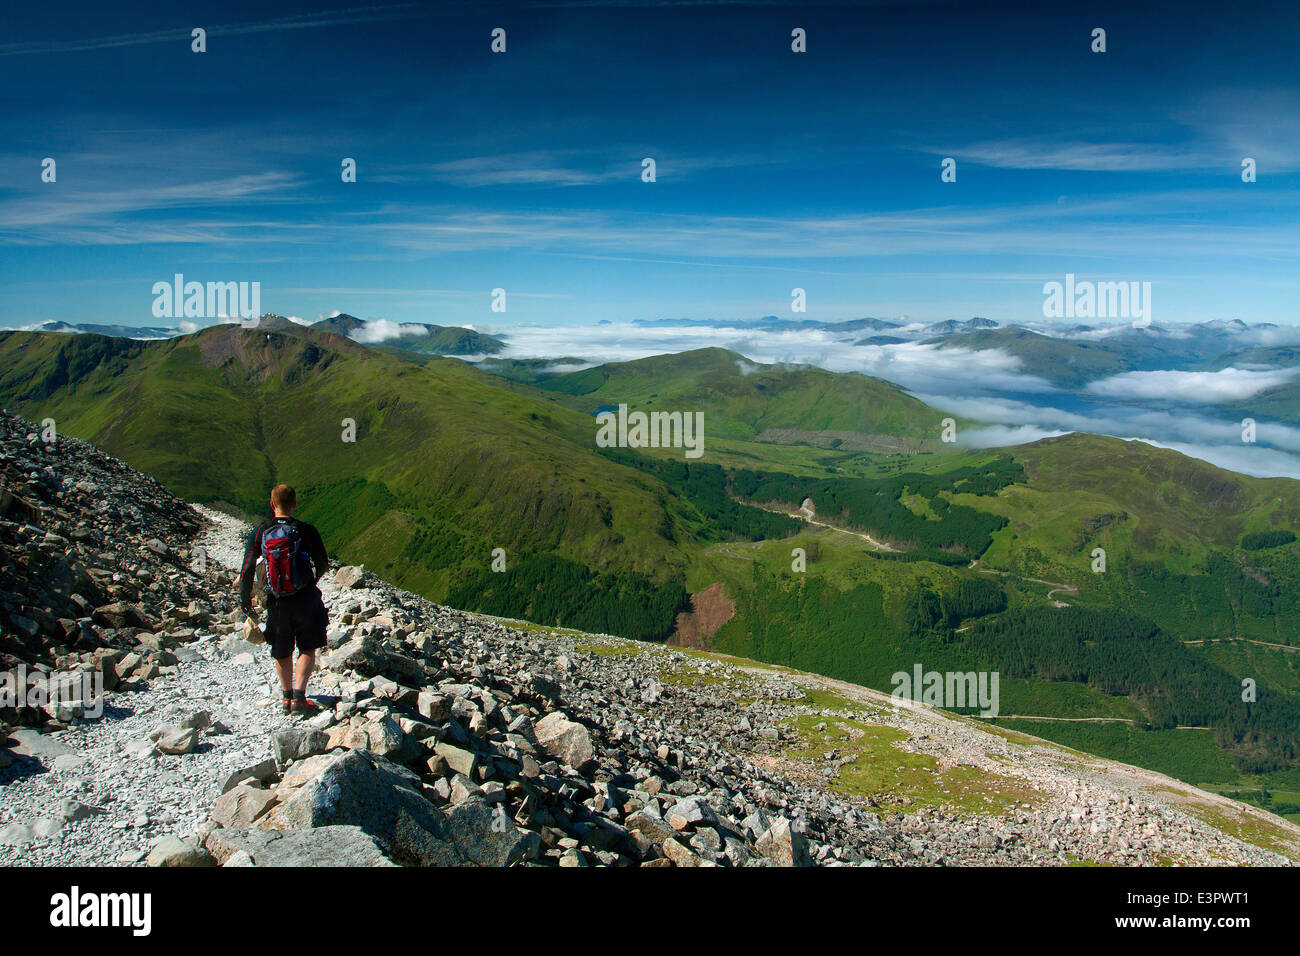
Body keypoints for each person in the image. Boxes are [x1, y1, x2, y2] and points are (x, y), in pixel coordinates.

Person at [238, 484, 330, 714]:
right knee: (308, 647)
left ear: (272, 504)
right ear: (294, 504)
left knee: (281, 649)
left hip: (277, 600)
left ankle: (286, 698)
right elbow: (323, 564)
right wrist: (311, 581)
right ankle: (300, 697)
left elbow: (247, 568)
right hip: (305, 597)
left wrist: (245, 600)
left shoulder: (260, 532)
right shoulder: (306, 530)